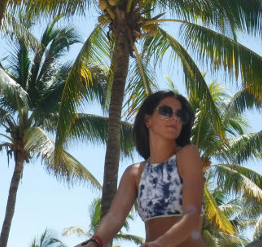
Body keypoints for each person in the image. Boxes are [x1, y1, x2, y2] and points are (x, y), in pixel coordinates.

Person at [76, 90, 206, 247]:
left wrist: (161, 244)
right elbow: (115, 216)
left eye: (181, 115)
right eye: (166, 111)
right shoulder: (134, 173)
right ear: (147, 120)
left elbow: (192, 216)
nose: (174, 118)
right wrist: (94, 242)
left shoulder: (187, 154)